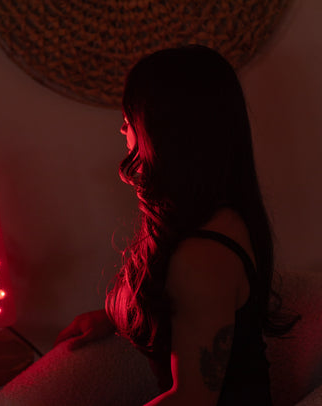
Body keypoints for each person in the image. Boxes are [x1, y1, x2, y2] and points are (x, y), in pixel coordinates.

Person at [55, 45, 299, 405]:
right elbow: (185, 310)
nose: (122, 127)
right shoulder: (216, 215)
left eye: (130, 117)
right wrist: (115, 315)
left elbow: (192, 399)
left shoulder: (203, 256)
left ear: (166, 133)